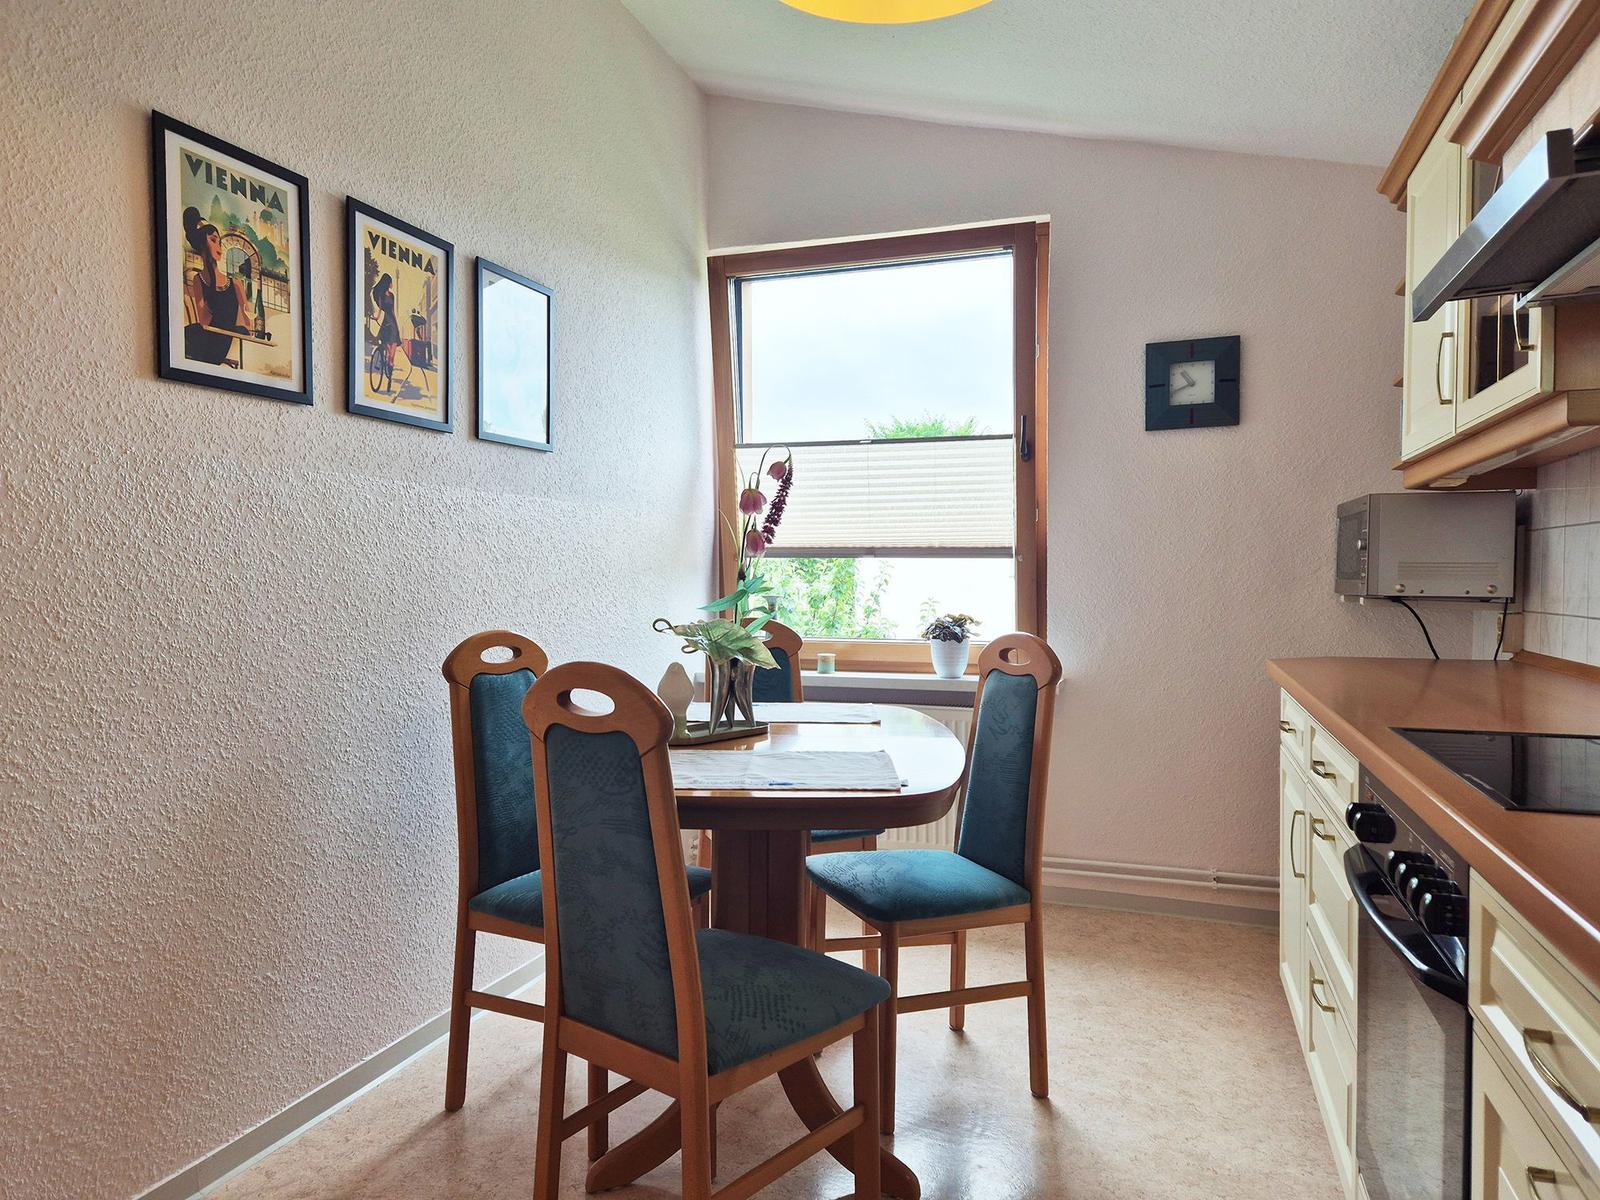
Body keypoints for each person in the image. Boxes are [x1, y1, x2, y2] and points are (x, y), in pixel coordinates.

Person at [182, 207, 250, 366]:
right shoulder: (199, 280)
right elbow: (204, 322)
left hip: (219, 345)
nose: (219, 247)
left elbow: (248, 325)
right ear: (202, 244)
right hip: (204, 340)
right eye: (213, 240)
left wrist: (235, 328)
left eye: (219, 242)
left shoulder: (235, 284)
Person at [371, 273, 401, 392]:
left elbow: (392, 310)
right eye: (391, 282)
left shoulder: (392, 296)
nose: (392, 284)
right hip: (386, 323)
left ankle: (390, 377)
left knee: (392, 357)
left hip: (393, 323)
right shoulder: (381, 296)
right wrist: (376, 318)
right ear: (387, 283)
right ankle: (384, 361)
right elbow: (380, 309)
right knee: (387, 348)